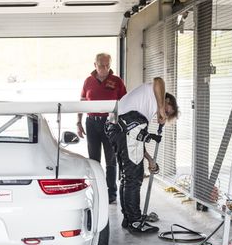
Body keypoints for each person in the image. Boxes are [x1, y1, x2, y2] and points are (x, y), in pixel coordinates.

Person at [105, 77, 179, 234]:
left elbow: (137, 141)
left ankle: (128, 219)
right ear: (167, 100)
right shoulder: (156, 92)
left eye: (167, 114)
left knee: (128, 175)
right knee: (134, 177)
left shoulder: (144, 107)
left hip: (118, 128)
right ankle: (135, 221)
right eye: (167, 110)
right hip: (125, 125)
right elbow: (159, 79)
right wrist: (160, 109)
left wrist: (150, 160)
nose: (165, 115)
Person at [77, 53, 127, 204]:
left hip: (110, 123)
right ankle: (96, 191)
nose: (104, 68)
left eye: (107, 65)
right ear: (95, 65)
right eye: (101, 65)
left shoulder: (117, 81)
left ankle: (111, 193)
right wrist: (78, 123)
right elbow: (81, 102)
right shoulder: (88, 81)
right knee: (94, 159)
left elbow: (125, 102)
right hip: (92, 123)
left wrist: (122, 125)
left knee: (111, 159)